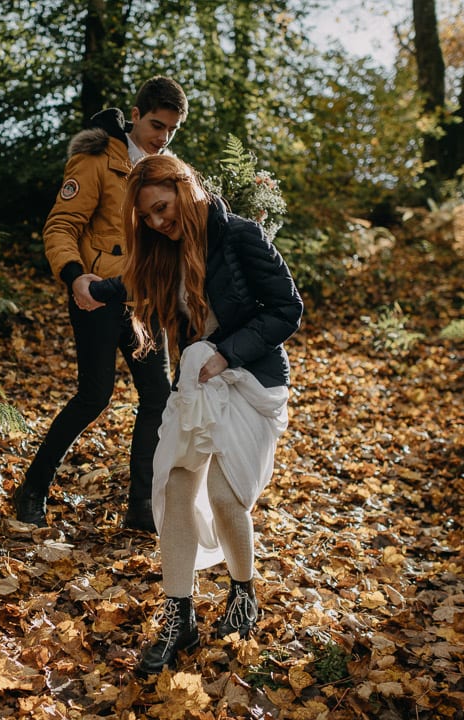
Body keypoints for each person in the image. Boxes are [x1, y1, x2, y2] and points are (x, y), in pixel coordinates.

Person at [87, 154, 303, 674]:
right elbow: (132, 284)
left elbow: (287, 308)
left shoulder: (242, 236)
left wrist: (228, 352)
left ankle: (243, 595)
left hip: (250, 378)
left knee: (226, 497)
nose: (160, 222)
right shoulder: (161, 250)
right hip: (196, 380)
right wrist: (88, 285)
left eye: (163, 208)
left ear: (185, 187)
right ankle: (178, 619)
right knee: (178, 485)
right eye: (149, 218)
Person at [12, 76, 189, 532]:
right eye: (155, 124)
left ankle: (142, 508)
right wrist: (75, 278)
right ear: (134, 115)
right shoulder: (95, 160)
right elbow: (60, 226)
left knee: (157, 397)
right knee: (94, 396)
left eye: (171, 129)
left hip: (146, 303)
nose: (162, 137)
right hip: (96, 296)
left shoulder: (169, 170)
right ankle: (32, 489)